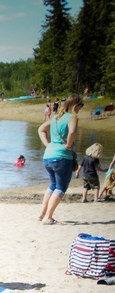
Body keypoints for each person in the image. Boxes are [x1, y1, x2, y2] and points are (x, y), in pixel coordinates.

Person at [37, 94, 84, 225]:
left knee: (52, 185)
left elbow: (41, 129)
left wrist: (48, 145)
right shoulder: (73, 117)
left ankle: (42, 214)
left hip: (48, 156)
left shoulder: (56, 118)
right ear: (76, 105)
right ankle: (48, 217)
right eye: (81, 105)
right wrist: (69, 145)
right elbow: (73, 131)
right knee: (61, 187)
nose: (81, 108)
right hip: (62, 157)